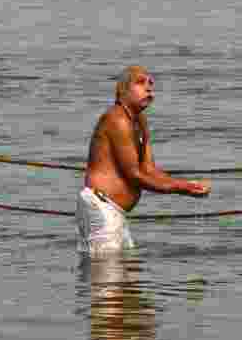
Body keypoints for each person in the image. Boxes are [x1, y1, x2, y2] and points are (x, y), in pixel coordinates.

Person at [78, 65, 211, 254]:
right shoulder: (117, 119)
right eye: (140, 83)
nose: (148, 88)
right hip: (102, 207)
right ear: (122, 90)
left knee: (127, 277)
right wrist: (182, 188)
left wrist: (188, 184)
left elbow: (149, 169)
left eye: (150, 84)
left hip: (115, 212)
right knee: (108, 278)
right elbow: (134, 175)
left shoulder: (139, 121)